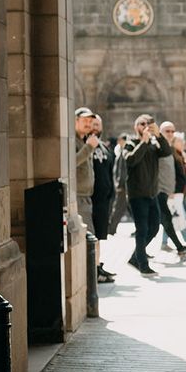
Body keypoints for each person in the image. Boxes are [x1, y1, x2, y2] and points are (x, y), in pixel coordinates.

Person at [123, 113, 173, 276]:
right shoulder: (130, 143)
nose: (145, 126)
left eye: (148, 124)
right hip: (137, 195)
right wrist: (143, 142)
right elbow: (130, 161)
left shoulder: (153, 144)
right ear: (135, 127)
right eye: (141, 124)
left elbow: (166, 152)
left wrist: (158, 135)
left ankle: (135, 257)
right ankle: (143, 265)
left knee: (154, 228)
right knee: (142, 229)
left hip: (152, 193)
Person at [157, 121, 186, 256]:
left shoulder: (172, 150)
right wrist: (170, 189)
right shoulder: (160, 146)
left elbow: (179, 173)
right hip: (164, 191)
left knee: (168, 220)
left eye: (173, 131)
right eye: (167, 131)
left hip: (171, 191)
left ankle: (179, 246)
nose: (171, 134)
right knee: (170, 219)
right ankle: (182, 244)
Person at [90, 114, 116, 283]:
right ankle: (93, 269)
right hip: (92, 198)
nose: (95, 128)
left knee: (99, 236)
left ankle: (97, 266)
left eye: (98, 125)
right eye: (92, 124)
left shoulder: (103, 147)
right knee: (93, 237)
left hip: (103, 200)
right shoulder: (86, 146)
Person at [167, 131, 186, 249]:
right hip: (174, 192)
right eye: (179, 141)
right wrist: (170, 190)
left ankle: (164, 243)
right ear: (174, 143)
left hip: (179, 191)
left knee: (172, 217)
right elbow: (170, 174)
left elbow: (183, 176)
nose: (182, 143)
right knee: (179, 217)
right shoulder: (172, 156)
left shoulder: (179, 155)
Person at [74, 107, 98, 239]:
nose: (88, 123)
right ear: (75, 121)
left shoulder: (84, 140)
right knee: (88, 237)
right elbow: (71, 164)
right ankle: (90, 260)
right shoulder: (71, 140)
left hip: (86, 197)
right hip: (78, 197)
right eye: (85, 120)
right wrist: (89, 147)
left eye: (90, 121)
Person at [108, 133, 130, 236]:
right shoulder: (119, 151)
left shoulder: (125, 152)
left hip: (123, 186)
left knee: (118, 208)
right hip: (121, 185)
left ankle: (111, 229)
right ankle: (111, 228)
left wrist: (120, 184)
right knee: (122, 208)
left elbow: (122, 170)